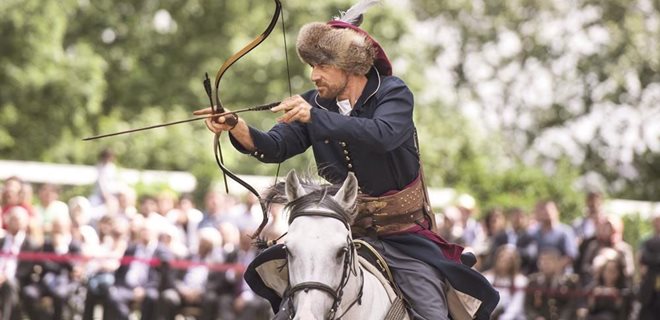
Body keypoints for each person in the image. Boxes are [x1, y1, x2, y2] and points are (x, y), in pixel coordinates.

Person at [196, 2, 498, 319]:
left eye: (322, 66)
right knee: (291, 305)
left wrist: (315, 117)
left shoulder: (393, 93)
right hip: (340, 231)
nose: (313, 75)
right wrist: (237, 126)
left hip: (404, 236)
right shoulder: (314, 103)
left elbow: (383, 135)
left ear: (350, 65)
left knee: (433, 311)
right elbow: (275, 147)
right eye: (311, 65)